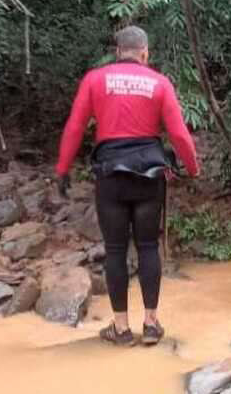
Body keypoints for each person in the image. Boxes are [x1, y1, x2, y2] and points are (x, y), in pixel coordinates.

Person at [55, 26, 199, 346]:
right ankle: (150, 323)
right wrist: (192, 167)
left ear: (118, 52)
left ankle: (120, 328)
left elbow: (76, 126)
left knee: (116, 250)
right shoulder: (159, 82)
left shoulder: (95, 79)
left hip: (111, 176)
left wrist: (63, 169)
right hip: (149, 176)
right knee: (148, 246)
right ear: (145, 53)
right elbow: (178, 133)